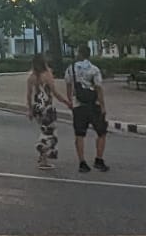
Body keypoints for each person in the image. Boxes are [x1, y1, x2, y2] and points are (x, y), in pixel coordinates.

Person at [67, 45, 108, 173]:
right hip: (93, 105)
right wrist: (102, 105)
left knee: (79, 134)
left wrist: (70, 100)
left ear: (79, 53)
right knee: (101, 132)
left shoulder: (71, 69)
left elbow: (68, 84)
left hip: (79, 105)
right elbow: (99, 88)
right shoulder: (94, 69)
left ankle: (82, 162)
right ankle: (99, 159)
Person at [24, 54, 61, 169]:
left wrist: (30, 110)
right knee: (50, 134)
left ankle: (43, 155)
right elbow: (54, 92)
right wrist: (66, 102)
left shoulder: (31, 77)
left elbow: (29, 95)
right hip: (47, 107)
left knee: (45, 131)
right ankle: (43, 157)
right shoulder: (48, 75)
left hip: (37, 107)